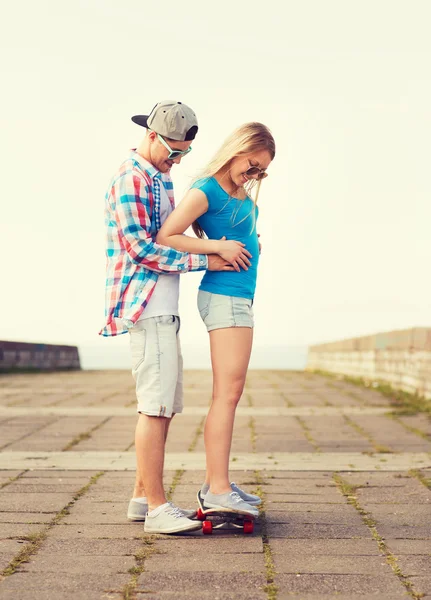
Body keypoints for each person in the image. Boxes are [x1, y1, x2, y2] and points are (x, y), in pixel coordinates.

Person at [99, 100, 251, 534]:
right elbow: (142, 249)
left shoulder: (157, 178)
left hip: (161, 309)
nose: (177, 160)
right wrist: (210, 260)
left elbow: (176, 236)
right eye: (173, 151)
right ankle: (159, 510)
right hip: (145, 307)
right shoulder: (131, 179)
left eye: (184, 154)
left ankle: (142, 497)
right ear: (151, 135)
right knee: (156, 407)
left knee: (163, 406)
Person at [157, 122, 276, 518]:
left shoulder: (241, 194)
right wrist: (216, 245)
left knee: (231, 392)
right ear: (238, 150)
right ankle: (218, 489)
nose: (255, 174)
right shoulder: (207, 188)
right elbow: (168, 236)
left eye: (262, 170)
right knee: (226, 394)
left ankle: (216, 483)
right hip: (224, 297)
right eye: (253, 164)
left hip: (239, 298)